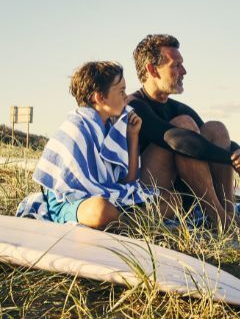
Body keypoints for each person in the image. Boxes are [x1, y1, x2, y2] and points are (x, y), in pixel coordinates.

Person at [16, 61, 176, 229]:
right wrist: (108, 199)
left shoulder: (113, 128)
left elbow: (129, 181)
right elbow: (73, 191)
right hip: (72, 204)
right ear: (99, 97)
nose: (126, 97)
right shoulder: (75, 128)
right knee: (100, 210)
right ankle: (132, 221)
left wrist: (133, 135)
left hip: (111, 198)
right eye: (121, 91)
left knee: (172, 199)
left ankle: (126, 222)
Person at [128, 34, 240, 230]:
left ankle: (229, 213)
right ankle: (219, 218)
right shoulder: (133, 105)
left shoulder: (178, 108)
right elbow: (180, 141)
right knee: (184, 127)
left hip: (181, 191)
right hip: (149, 195)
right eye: (176, 65)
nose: (184, 71)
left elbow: (210, 143)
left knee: (216, 128)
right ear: (152, 70)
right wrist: (230, 158)